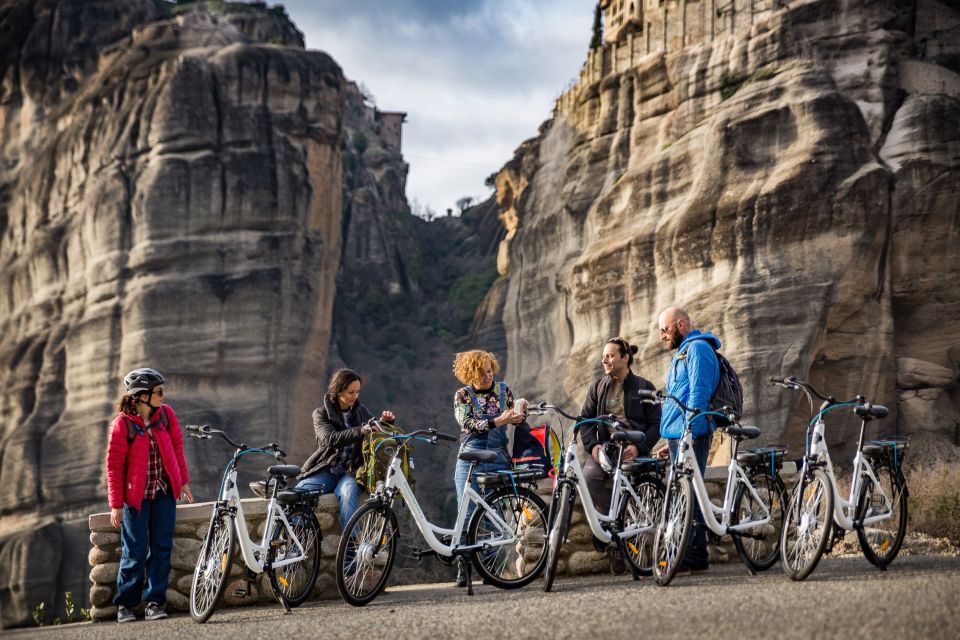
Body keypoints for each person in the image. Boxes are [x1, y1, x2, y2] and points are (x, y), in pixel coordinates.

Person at [106, 368, 194, 623]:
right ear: (141, 396)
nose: (163, 396)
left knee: (161, 548)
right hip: (136, 499)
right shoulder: (122, 424)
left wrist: (184, 483)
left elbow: (177, 448)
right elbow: (113, 466)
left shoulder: (166, 416)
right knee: (133, 551)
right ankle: (125, 604)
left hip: (164, 493)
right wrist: (115, 505)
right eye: (158, 392)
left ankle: (155, 602)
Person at [579, 337, 661, 574]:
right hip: (605, 449)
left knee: (621, 483)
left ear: (625, 358)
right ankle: (615, 530)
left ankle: (616, 539)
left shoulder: (645, 386)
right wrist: (593, 446)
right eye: (604, 355)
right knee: (589, 479)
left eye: (610, 355)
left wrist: (640, 447)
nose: (605, 359)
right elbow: (585, 421)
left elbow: (657, 424)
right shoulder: (598, 387)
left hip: (633, 451)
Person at [452, 349, 524, 587]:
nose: (486, 376)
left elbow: (515, 416)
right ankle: (464, 569)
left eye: (489, 370)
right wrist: (498, 421)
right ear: (469, 374)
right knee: (466, 511)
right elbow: (467, 422)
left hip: (498, 454)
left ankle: (489, 568)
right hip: (471, 455)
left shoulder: (504, 390)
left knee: (494, 512)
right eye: (480, 372)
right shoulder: (463, 395)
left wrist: (519, 415)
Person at [657, 306, 721, 574]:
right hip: (679, 435)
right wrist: (671, 438)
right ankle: (694, 555)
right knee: (685, 493)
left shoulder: (698, 349)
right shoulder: (684, 352)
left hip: (691, 433)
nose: (662, 336)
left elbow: (698, 393)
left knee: (690, 492)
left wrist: (690, 432)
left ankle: (692, 556)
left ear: (680, 324)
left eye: (665, 329)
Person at [296, 369, 395, 530]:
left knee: (348, 494)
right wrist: (361, 430)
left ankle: (350, 547)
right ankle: (295, 541)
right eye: (350, 392)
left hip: (351, 471)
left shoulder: (360, 411)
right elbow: (331, 439)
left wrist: (385, 423)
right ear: (338, 390)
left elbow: (377, 432)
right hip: (327, 469)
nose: (354, 396)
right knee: (300, 492)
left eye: (357, 392)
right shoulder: (320, 414)